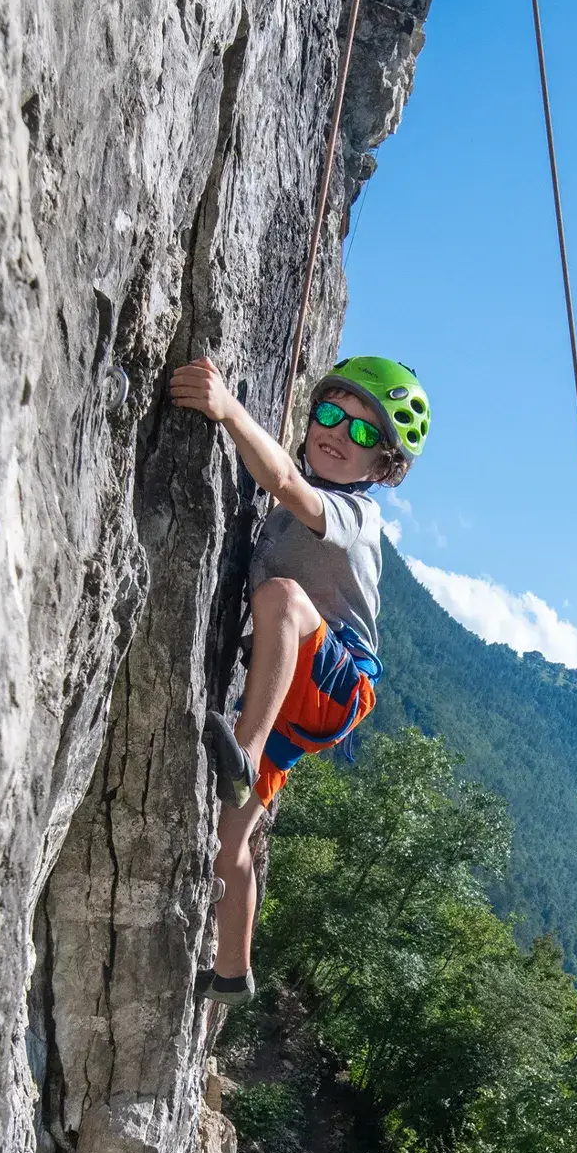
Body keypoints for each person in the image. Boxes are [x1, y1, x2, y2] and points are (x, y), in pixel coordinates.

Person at [168, 353, 431, 1006]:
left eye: (366, 433)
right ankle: (232, 970)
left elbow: (285, 480)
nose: (339, 434)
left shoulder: (355, 514)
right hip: (290, 696)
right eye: (332, 413)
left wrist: (227, 408)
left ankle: (243, 750)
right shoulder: (321, 487)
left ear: (383, 468)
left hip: (337, 684)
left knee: (284, 596)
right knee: (231, 839)